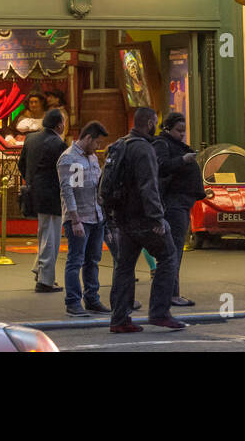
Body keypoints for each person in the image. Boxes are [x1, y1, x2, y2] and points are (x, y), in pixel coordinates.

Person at [105, 106, 184, 333]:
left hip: (122, 217)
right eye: (154, 122)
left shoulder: (120, 144)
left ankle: (119, 318)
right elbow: (148, 187)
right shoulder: (144, 150)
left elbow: (107, 182)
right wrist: (158, 218)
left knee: (125, 266)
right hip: (143, 218)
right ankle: (160, 312)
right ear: (149, 123)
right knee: (168, 256)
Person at [57, 121, 110, 316]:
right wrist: (75, 219)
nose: (98, 147)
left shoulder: (92, 158)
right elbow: (68, 191)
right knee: (76, 260)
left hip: (96, 215)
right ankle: (73, 302)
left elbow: (95, 185)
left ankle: (92, 298)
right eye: (96, 142)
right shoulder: (69, 159)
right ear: (88, 138)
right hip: (79, 218)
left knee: (93, 260)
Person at [153, 111, 205, 307]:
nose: (182, 134)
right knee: (172, 251)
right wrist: (184, 160)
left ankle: (171, 293)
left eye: (184, 131)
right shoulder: (162, 144)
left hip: (181, 203)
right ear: (167, 128)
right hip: (173, 204)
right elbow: (162, 166)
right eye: (178, 130)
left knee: (174, 251)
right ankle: (171, 294)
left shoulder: (172, 144)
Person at [19, 107, 66, 293]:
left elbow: (21, 164)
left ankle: (40, 268)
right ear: (59, 125)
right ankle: (45, 280)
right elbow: (63, 172)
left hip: (34, 192)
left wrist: (31, 181)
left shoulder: (31, 138)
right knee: (50, 236)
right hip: (52, 195)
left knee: (44, 232)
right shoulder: (57, 144)